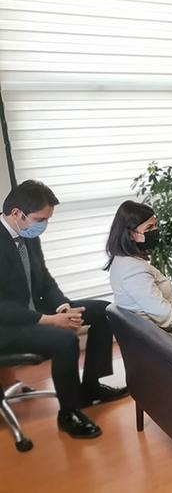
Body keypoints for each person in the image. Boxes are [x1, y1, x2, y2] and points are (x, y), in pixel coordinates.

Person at [0, 180, 128, 439]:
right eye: (40, 219)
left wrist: (63, 307)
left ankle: (91, 386)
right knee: (64, 340)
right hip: (8, 327)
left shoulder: (28, 235)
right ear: (16, 213)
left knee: (105, 311)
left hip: (37, 312)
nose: (44, 225)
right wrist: (48, 320)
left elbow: (44, 280)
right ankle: (69, 414)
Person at [105, 201, 172, 344]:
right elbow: (165, 315)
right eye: (149, 227)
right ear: (130, 234)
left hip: (160, 333)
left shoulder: (123, 261)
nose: (155, 231)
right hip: (166, 341)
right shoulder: (133, 271)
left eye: (155, 225)